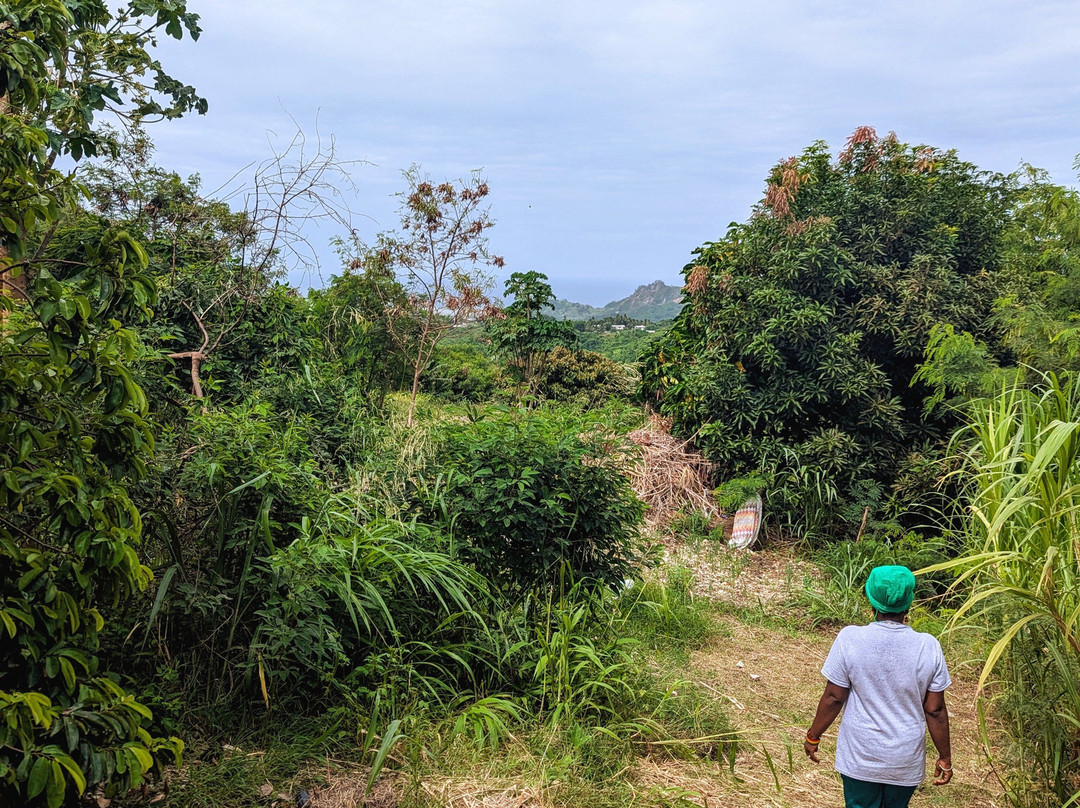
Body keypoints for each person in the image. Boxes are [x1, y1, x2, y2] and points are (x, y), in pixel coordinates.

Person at [804, 564, 952, 808]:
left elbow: (834, 697)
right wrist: (945, 757)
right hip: (904, 759)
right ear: (909, 602)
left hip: (861, 756)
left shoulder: (850, 638)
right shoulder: (928, 646)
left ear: (871, 599)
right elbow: (935, 710)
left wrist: (813, 736)